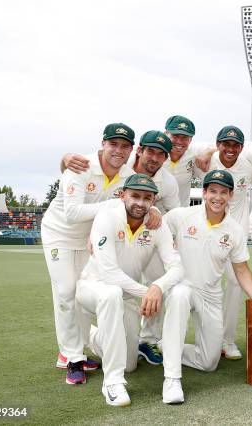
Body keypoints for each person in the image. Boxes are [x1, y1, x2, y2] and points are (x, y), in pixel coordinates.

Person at [75, 174, 183, 406]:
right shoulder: (106, 218)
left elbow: (177, 267)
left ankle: (94, 336)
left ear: (153, 200)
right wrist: (146, 292)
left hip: (128, 295)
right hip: (93, 286)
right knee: (111, 294)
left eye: (147, 198)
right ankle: (112, 382)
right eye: (135, 196)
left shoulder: (156, 225)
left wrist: (157, 286)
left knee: (130, 365)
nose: (140, 203)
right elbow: (108, 273)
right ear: (123, 195)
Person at [41, 123, 136, 384]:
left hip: (88, 238)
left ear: (131, 150)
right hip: (58, 234)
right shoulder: (80, 167)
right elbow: (72, 214)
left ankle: (74, 350)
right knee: (65, 291)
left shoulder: (128, 175)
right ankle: (72, 357)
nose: (118, 150)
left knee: (82, 293)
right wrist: (116, 204)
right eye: (113, 144)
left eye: (125, 146)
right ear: (103, 144)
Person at [160, 170, 252, 404]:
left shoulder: (235, 231)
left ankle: (166, 345)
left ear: (231, 195)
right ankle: (172, 379)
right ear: (204, 193)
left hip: (210, 295)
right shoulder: (181, 216)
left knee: (208, 363)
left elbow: (242, 270)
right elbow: (154, 225)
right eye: (213, 191)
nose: (217, 197)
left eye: (223, 192)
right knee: (179, 294)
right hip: (182, 287)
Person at [193, 126, 252, 360]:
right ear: (217, 144)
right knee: (206, 282)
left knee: (235, 283)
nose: (230, 149)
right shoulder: (204, 161)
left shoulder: (248, 168)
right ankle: (207, 337)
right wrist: (207, 152)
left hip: (235, 232)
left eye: (235, 145)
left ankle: (228, 340)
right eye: (225, 144)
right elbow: (182, 149)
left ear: (241, 147)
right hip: (206, 232)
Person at [60, 129, 180, 214]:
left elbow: (174, 212)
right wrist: (66, 158)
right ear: (139, 150)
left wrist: (154, 211)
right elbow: (100, 157)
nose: (154, 158)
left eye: (160, 154)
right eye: (150, 151)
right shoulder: (121, 160)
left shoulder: (168, 182)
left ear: (166, 158)